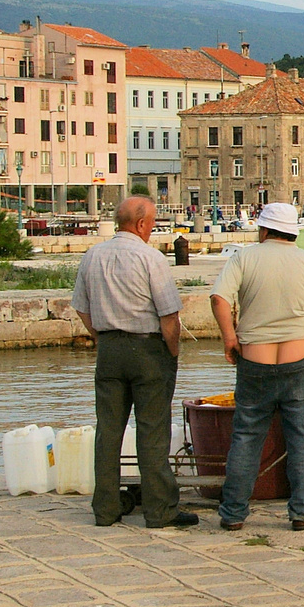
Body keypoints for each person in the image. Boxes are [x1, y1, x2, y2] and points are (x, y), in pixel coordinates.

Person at [210, 202, 304, 531]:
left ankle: (233, 514)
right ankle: (302, 513)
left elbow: (218, 299)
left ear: (263, 229)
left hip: (254, 362)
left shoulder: (244, 257)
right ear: (294, 232)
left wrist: (230, 338)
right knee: (301, 440)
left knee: (245, 437)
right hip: (299, 363)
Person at [71, 195, 197, 528]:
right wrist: (172, 352)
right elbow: (169, 315)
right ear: (141, 224)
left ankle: (106, 509)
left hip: (109, 350)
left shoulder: (92, 255)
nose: (153, 228)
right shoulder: (150, 258)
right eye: (152, 222)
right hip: (148, 350)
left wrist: (100, 336)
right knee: (152, 431)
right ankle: (160, 511)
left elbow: (81, 307)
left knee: (108, 431)